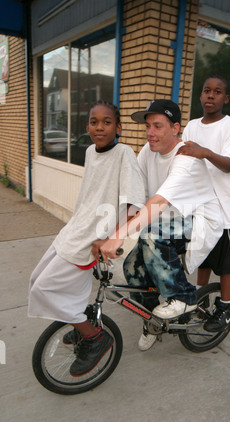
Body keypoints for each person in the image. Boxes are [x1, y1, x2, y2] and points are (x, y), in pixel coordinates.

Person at [28, 101, 146, 376]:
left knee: (44, 289)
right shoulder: (91, 152)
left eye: (107, 122)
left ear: (118, 128)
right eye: (94, 122)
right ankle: (82, 324)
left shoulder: (124, 154)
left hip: (93, 238)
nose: (99, 127)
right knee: (37, 279)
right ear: (87, 126)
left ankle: (94, 336)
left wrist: (110, 239)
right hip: (75, 230)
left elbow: (134, 205)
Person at [96, 99, 224, 351]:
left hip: (198, 221)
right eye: (148, 126)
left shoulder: (185, 158)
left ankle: (184, 297)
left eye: (157, 126)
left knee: (152, 234)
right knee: (132, 266)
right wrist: (113, 234)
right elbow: (137, 200)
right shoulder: (149, 150)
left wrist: (120, 235)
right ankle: (153, 319)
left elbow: (158, 202)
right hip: (167, 219)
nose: (150, 133)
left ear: (175, 128)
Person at [177, 74, 230, 333]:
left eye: (217, 92)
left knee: (227, 262)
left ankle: (226, 306)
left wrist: (204, 152)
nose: (210, 95)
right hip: (201, 207)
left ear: (225, 99)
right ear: (201, 95)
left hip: (226, 208)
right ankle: (199, 300)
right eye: (206, 90)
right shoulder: (192, 126)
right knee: (201, 255)